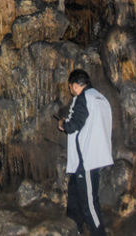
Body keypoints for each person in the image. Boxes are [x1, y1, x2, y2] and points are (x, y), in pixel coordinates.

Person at [59, 69, 113, 236]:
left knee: (89, 204)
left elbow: (75, 124)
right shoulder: (101, 98)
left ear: (75, 85)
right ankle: (75, 229)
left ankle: (99, 233)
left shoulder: (83, 98)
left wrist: (63, 124)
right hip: (95, 156)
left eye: (70, 87)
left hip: (87, 160)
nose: (70, 90)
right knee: (75, 195)